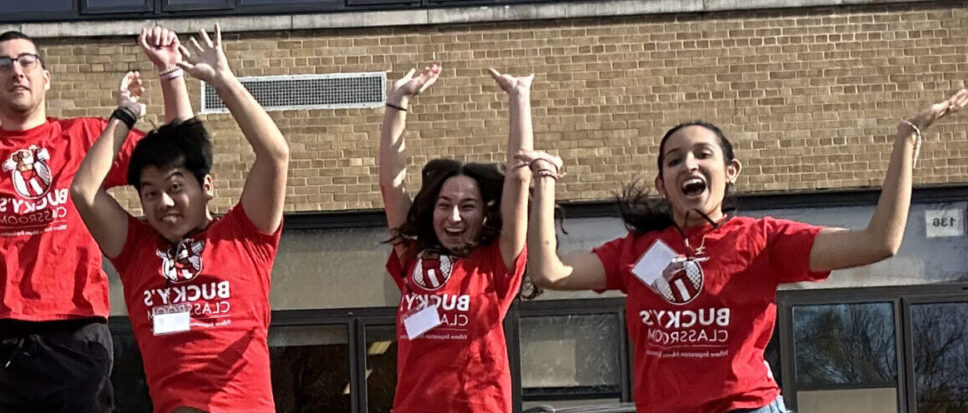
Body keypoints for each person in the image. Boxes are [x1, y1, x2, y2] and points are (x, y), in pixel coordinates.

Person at [523, 88, 968, 412]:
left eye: (703, 154)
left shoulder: (764, 239)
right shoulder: (637, 252)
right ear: (662, 184)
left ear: (730, 171)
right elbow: (550, 272)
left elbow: (878, 242)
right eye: (675, 160)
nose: (689, 165)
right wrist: (544, 183)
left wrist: (907, 137)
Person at [0, 24, 192, 412]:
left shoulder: (85, 136)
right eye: (2, 64)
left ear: (46, 78)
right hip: (2, 340)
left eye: (26, 61)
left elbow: (176, 156)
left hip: (76, 330)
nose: (16, 71)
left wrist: (170, 72)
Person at [70, 25, 290, 413]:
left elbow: (274, 155)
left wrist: (222, 80)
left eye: (175, 188)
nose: (164, 202)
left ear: (207, 186)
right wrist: (124, 116)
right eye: (150, 193)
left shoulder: (244, 236)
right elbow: (85, 192)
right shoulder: (137, 251)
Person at [375, 63, 536, 412]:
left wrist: (519, 99)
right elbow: (391, 185)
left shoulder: (496, 264)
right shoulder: (414, 257)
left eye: (468, 206)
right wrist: (397, 103)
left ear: (484, 214)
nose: (454, 217)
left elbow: (519, 181)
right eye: (444, 205)